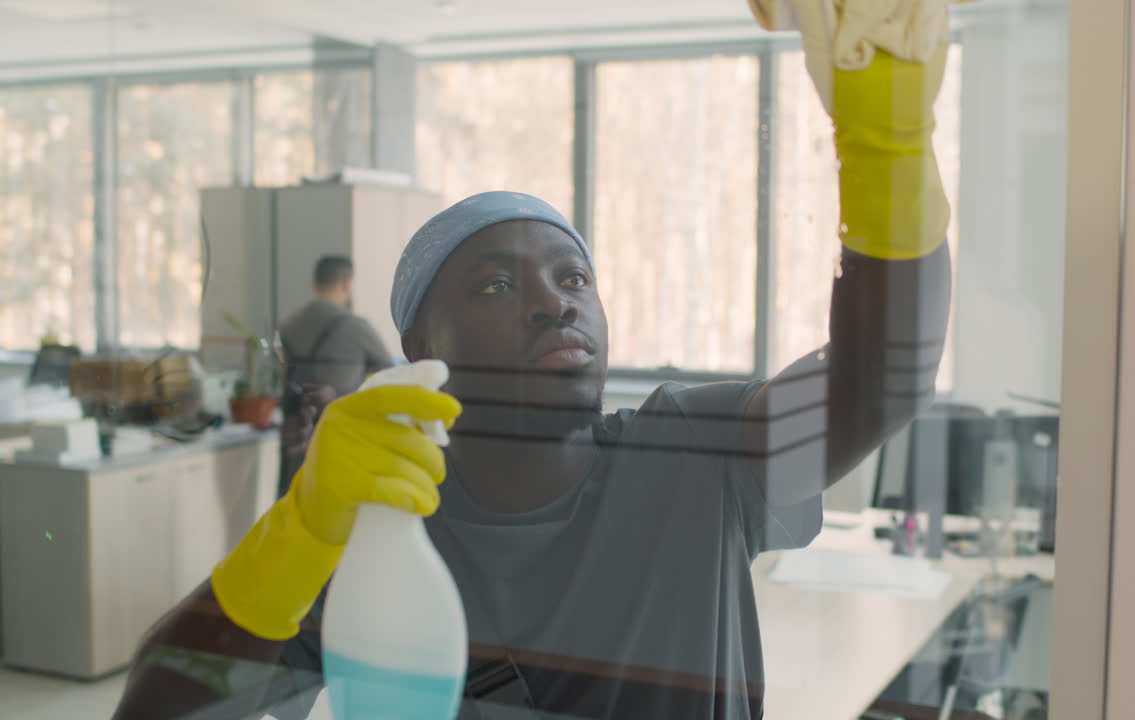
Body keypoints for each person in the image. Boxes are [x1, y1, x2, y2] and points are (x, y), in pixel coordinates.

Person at [112, 3, 953, 718]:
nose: (555, 302)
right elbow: (158, 704)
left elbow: (882, 379)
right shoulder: (376, 540)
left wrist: (888, 151)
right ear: (419, 347)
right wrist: (300, 533)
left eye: (573, 276)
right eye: (494, 286)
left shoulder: (695, 453)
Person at [277, 256, 396, 496]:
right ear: (347, 282)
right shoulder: (356, 327)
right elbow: (391, 374)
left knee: (294, 506)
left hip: (296, 437)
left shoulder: (289, 325)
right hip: (340, 437)